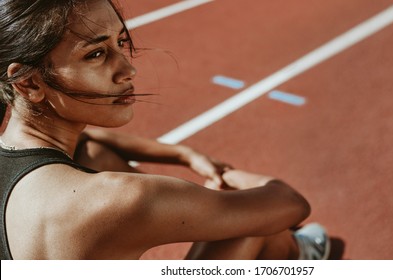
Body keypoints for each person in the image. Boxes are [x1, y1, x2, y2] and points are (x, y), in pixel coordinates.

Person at [0, 0, 329, 260]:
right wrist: (232, 179)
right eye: (96, 54)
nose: (129, 69)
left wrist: (187, 154)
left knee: (100, 154)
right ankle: (297, 256)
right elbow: (291, 203)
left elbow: (92, 140)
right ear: (29, 82)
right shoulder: (120, 199)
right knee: (255, 223)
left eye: (120, 42)